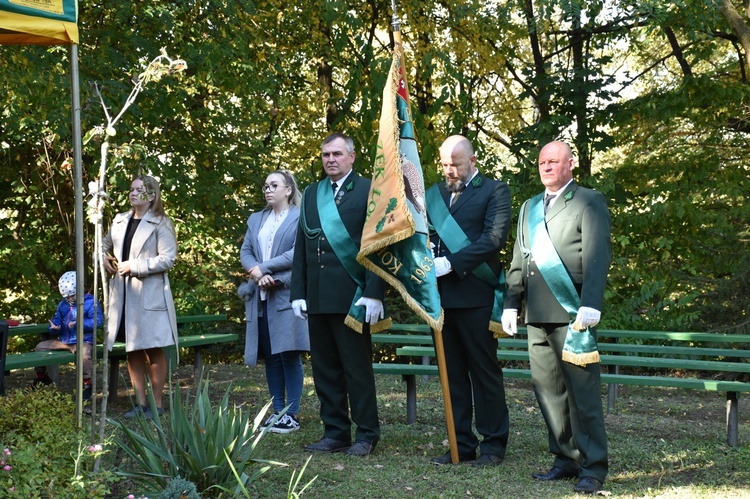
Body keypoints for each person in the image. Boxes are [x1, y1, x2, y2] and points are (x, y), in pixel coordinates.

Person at [502, 141, 611, 494]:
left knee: (583, 395)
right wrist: (510, 303)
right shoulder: (529, 207)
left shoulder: (587, 200)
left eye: (554, 161)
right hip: (536, 313)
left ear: (570, 164)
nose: (546, 167)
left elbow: (597, 254)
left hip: (572, 313)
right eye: (542, 162)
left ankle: (593, 466)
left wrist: (590, 302)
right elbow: (521, 259)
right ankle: (565, 459)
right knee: (549, 391)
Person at [291, 132, 388, 457]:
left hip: (353, 297)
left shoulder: (369, 190)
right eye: (325, 155)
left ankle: (366, 434)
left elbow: (380, 245)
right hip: (318, 297)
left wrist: (375, 293)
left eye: (336, 154)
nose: (330, 159)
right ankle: (335, 432)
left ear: (351, 156)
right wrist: (297, 292)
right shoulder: (311, 194)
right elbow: (303, 246)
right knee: (325, 369)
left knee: (356, 369)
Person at [424, 135, 512, 467]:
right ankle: (460, 443)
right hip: (441, 299)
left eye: (456, 164)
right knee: (453, 374)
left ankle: (493, 445)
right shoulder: (434, 195)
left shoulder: (494, 191)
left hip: (476, 295)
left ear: (472, 161)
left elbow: (493, 238)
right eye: (445, 164)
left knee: (483, 371)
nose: (450, 170)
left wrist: (451, 263)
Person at [102, 174, 178, 419]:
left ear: (152, 196)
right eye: (131, 189)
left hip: (150, 295)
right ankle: (140, 403)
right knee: (132, 349)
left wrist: (134, 266)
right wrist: (103, 257)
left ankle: (157, 405)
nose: (133, 193)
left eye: (139, 190)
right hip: (124, 296)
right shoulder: (120, 220)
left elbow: (168, 259)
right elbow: (102, 245)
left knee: (153, 348)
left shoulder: (161, 223)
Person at [239, 169, 310, 434]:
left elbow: (298, 253)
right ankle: (276, 410)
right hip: (260, 296)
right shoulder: (256, 219)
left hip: (286, 293)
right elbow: (246, 250)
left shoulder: (299, 217)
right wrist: (256, 273)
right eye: (265, 185)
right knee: (271, 356)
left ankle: (291, 414)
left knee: (288, 354)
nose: (267, 190)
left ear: (288, 190)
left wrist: (264, 269)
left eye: (273, 185)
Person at [32, 270, 104, 401]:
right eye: (66, 297)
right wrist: (54, 327)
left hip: (83, 341)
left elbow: (97, 321)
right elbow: (57, 319)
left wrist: (78, 324)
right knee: (40, 347)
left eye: (72, 295)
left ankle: (87, 383)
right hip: (64, 341)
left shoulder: (90, 302)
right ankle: (42, 377)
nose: (69, 299)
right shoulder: (63, 305)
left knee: (85, 355)